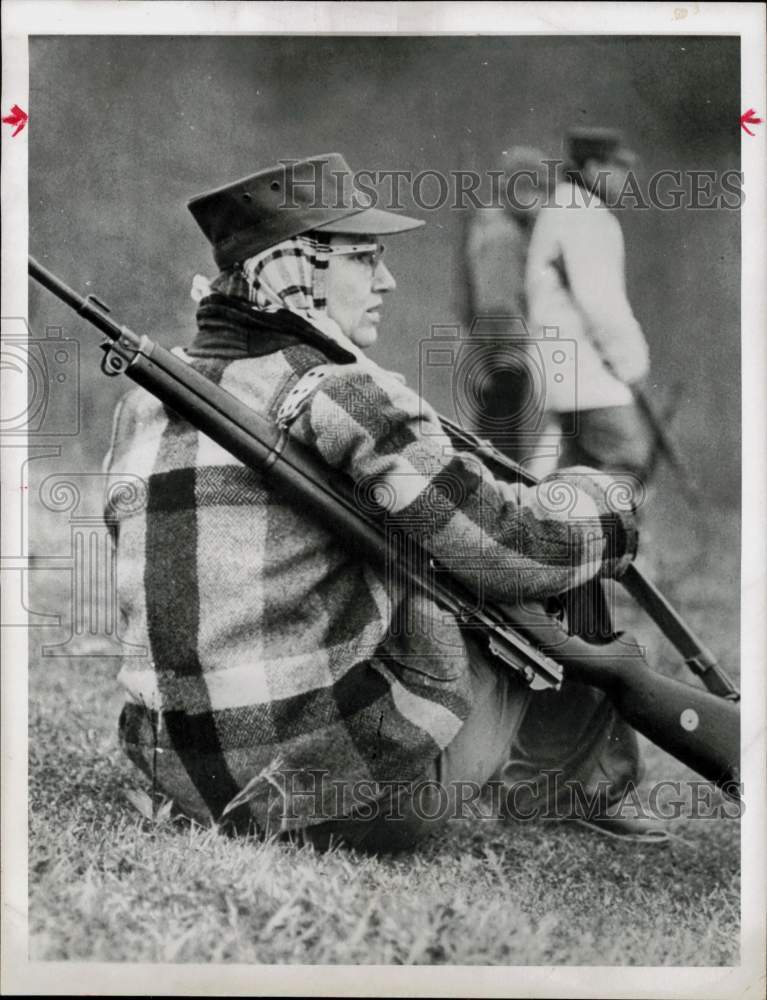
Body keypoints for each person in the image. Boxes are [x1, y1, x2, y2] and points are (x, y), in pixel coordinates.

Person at [104, 153, 651, 853]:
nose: (387, 279)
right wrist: (601, 498)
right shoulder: (345, 392)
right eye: (363, 257)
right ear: (291, 271)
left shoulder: (144, 403)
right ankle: (571, 795)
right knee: (551, 556)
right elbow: (515, 551)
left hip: (183, 780)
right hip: (350, 803)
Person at [525, 128, 652, 481]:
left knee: (572, 472)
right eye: (618, 168)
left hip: (567, 373)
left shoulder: (563, 208)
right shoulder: (587, 216)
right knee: (627, 461)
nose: (627, 178)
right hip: (588, 375)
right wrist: (633, 365)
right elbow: (601, 305)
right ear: (594, 168)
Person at [462, 146, 556, 466]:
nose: (542, 203)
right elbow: (497, 306)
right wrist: (518, 352)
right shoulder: (502, 234)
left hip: (496, 355)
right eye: (537, 191)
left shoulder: (498, 226)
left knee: (497, 445)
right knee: (501, 451)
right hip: (504, 357)